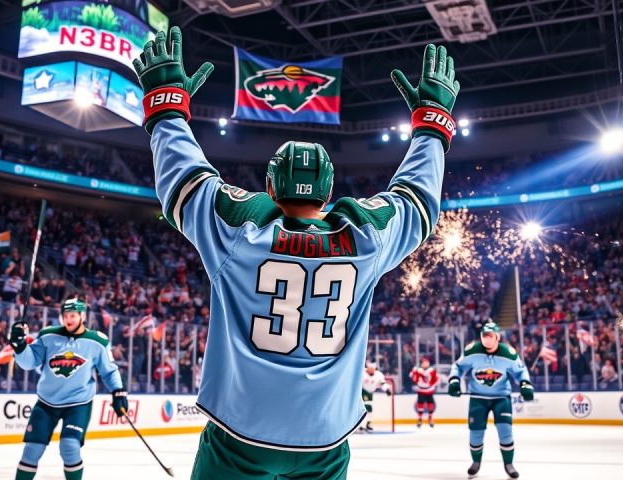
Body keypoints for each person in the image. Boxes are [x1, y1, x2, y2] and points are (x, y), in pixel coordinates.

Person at [134, 26, 459, 478]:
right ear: (328, 193)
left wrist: (167, 107)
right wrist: (432, 124)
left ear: (269, 186)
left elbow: (184, 182)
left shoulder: (238, 230)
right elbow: (417, 201)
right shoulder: (366, 240)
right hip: (325, 439)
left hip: (240, 434)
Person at [8, 298, 128, 480]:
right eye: (65, 316)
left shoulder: (97, 341)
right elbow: (28, 363)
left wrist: (118, 392)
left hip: (78, 404)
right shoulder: (47, 335)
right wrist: (19, 346)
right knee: (32, 449)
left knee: (69, 447)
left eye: (73, 315)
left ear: (82, 316)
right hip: (46, 402)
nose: (68, 320)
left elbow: (109, 371)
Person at [448, 322, 535, 479]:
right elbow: (458, 366)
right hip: (478, 398)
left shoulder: (508, 353)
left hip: (501, 398)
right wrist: (454, 380)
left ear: (497, 337)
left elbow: (520, 371)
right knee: (476, 432)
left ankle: (509, 464)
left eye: (490, 336)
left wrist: (525, 384)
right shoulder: (472, 350)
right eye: (484, 335)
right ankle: (476, 462)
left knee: (505, 430)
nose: (487, 339)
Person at [360, 362, 392, 432]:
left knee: (369, 408)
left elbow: (382, 383)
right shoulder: (362, 372)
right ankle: (361, 425)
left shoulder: (378, 375)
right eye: (370, 368)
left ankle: (367, 424)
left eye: (373, 369)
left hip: (370, 393)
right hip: (362, 391)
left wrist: (387, 389)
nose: (371, 370)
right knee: (366, 407)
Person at [411, 356, 438, 427]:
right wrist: (414, 372)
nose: (425, 364)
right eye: (424, 363)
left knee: (430, 403)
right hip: (421, 390)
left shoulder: (432, 370)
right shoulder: (418, 370)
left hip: (429, 390)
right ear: (422, 364)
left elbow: (435, 379)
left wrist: (432, 385)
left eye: (427, 363)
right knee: (420, 404)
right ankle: (420, 418)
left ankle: (430, 417)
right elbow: (414, 379)